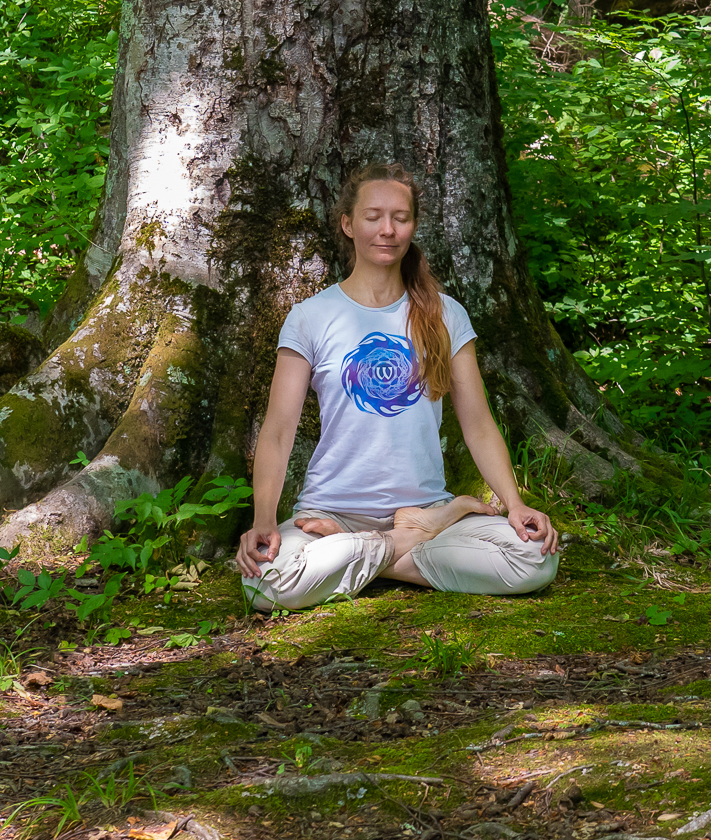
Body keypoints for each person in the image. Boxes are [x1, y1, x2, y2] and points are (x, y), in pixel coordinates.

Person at [235, 163, 560, 611]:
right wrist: (265, 519)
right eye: (373, 217)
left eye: (400, 218)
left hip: (424, 508)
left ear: (413, 226)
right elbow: (277, 431)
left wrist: (515, 502)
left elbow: (479, 423)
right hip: (329, 513)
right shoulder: (310, 317)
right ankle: (403, 543)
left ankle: (367, 550)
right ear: (348, 224)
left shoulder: (446, 314)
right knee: (265, 584)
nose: (387, 230)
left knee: (535, 559)